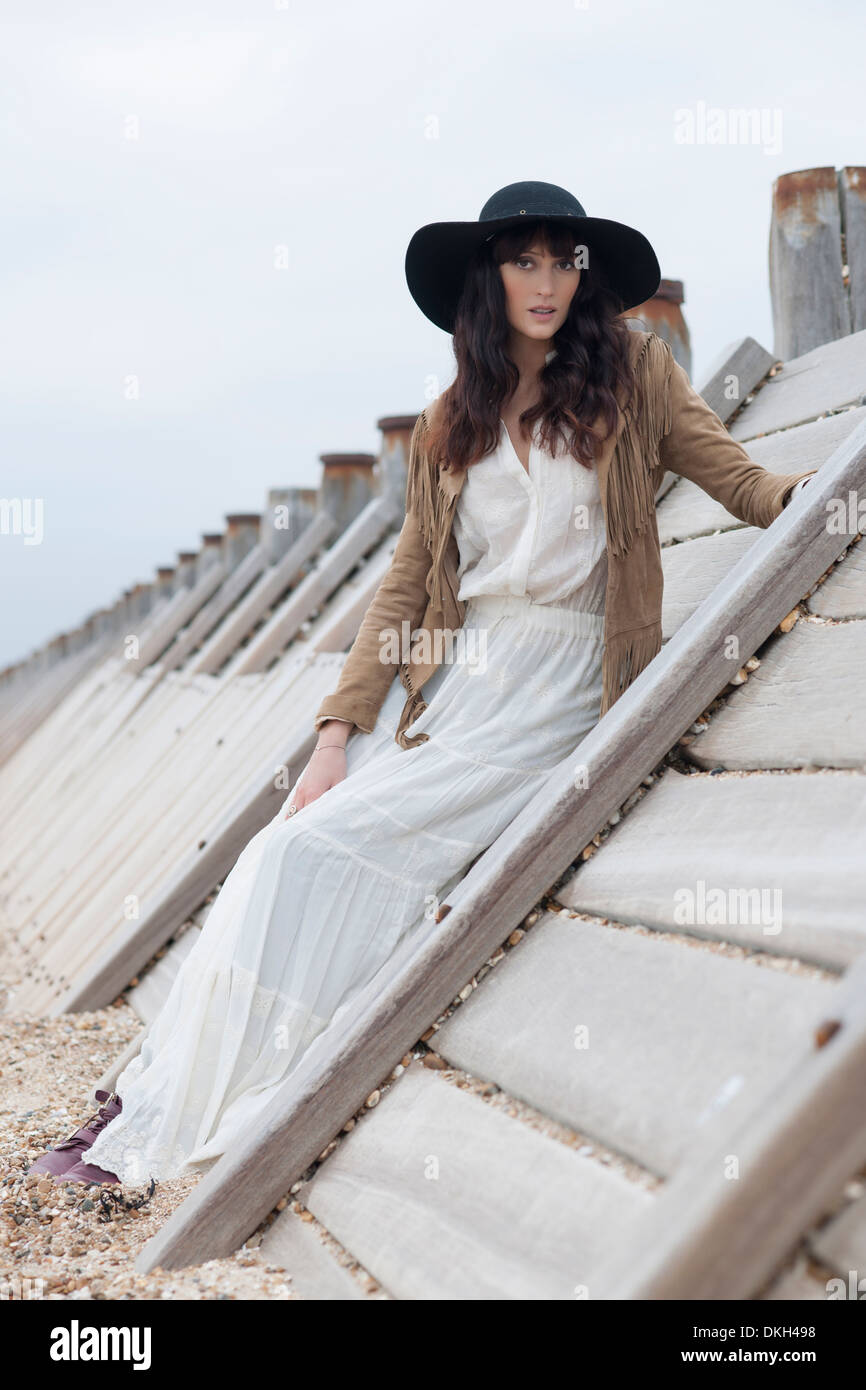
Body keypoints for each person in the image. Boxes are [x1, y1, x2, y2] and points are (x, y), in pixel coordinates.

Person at [30, 181, 816, 1186]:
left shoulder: (637, 376)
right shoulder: (456, 414)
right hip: (456, 687)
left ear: (585, 276)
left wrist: (812, 492)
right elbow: (405, 583)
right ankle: (153, 1092)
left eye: (562, 260)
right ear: (486, 279)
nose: (545, 281)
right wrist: (332, 733)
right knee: (284, 846)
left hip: (566, 685)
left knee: (307, 857)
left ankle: (178, 1104)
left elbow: (740, 482)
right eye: (522, 260)